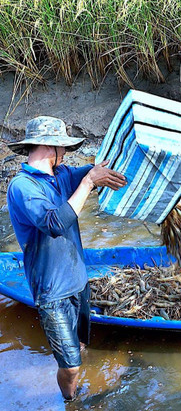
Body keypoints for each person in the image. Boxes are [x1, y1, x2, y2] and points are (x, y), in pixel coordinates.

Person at [6, 116, 126, 402]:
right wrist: (87, 183)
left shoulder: (62, 175)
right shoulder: (22, 187)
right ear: (50, 147)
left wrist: (106, 169)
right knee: (70, 366)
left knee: (81, 345)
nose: (67, 155)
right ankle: (70, 400)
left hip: (78, 281)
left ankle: (81, 377)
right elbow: (54, 223)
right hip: (52, 292)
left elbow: (99, 173)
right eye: (64, 149)